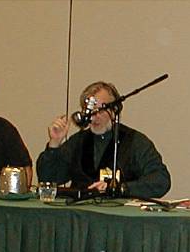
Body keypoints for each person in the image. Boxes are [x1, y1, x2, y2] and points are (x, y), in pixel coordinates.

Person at [36, 81, 170, 198]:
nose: (95, 117)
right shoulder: (78, 141)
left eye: (100, 110)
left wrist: (121, 188)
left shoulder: (135, 142)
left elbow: (161, 181)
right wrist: (54, 144)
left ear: (114, 110)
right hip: (80, 216)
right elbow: (48, 180)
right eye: (90, 112)